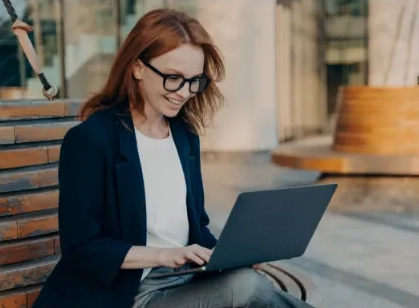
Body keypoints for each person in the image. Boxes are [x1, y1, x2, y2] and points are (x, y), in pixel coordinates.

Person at [33, 8, 315, 308]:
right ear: (138, 68)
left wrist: (234, 254)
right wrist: (162, 255)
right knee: (245, 288)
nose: (184, 92)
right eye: (173, 78)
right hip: (127, 294)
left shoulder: (183, 136)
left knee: (249, 281)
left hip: (184, 279)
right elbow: (81, 249)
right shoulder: (91, 140)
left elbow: (198, 227)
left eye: (194, 81)